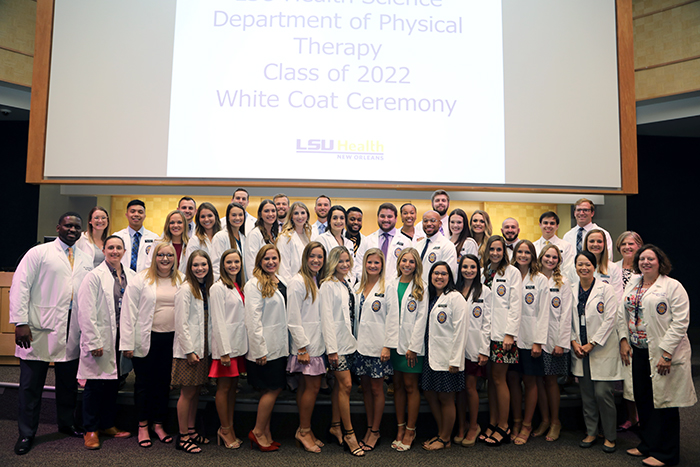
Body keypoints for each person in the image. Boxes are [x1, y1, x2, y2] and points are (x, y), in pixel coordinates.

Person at [11, 212, 93, 455]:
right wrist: (20, 322)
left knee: (67, 383)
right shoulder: (39, 253)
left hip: (72, 327)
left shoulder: (86, 257)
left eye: (77, 227)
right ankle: (26, 434)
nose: (72, 230)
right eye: (68, 225)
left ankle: (66, 423)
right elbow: (20, 285)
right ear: (58, 227)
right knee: (30, 386)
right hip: (37, 327)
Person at [619, 245, 696, 467]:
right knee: (644, 401)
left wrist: (667, 353)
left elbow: (681, 322)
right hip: (639, 351)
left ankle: (667, 454)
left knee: (665, 404)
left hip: (663, 354)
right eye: (642, 259)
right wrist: (624, 340)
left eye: (650, 259)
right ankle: (648, 445)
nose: (645, 262)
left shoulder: (673, 286)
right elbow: (621, 313)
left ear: (659, 262)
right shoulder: (634, 283)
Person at [121, 242, 183, 449]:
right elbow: (128, 312)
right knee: (144, 385)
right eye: (161, 255)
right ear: (154, 257)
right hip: (146, 340)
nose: (165, 259)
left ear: (174, 258)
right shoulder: (141, 280)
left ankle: (158, 425)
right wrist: (127, 343)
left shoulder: (181, 279)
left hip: (171, 341)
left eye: (169, 255)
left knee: (163, 385)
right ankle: (142, 426)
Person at [77, 235, 134, 449]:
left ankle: (108, 424)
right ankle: (91, 429)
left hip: (121, 336)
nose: (115, 251)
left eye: (119, 248)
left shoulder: (131, 275)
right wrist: (93, 341)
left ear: (124, 251)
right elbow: (86, 311)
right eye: (111, 247)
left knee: (113, 383)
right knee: (94, 383)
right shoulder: (94, 276)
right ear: (104, 250)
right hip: (101, 337)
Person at [570, 251, 620, 453]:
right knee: (587, 394)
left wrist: (592, 343)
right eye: (580, 264)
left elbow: (611, 319)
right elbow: (567, 319)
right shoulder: (570, 289)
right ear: (575, 267)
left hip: (600, 348)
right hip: (579, 349)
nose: (584, 268)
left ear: (594, 266)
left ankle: (610, 436)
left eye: (588, 264)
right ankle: (591, 432)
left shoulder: (605, 290)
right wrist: (574, 341)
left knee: (603, 393)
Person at [319, 246, 364, 457]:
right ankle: (349, 433)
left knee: (339, 386)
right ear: (332, 263)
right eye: (340, 261)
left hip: (349, 343)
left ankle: (335, 425)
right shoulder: (327, 285)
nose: (344, 265)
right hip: (336, 346)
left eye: (347, 261)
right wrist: (332, 350)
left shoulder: (346, 282)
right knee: (346, 385)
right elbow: (326, 319)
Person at [244, 244, 288, 451]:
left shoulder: (279, 281)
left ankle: (267, 433)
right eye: (266, 259)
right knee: (272, 389)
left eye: (274, 258)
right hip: (265, 348)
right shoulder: (254, 284)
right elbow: (253, 319)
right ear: (259, 261)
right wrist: (259, 349)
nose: (271, 262)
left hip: (278, 346)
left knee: (273, 389)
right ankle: (258, 431)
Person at [480, 235, 522, 446]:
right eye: (492, 250)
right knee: (490, 379)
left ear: (504, 252)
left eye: (499, 250)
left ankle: (504, 426)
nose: (495, 253)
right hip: (485, 335)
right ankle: (493, 421)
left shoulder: (512, 272)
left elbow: (515, 305)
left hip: (502, 335)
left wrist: (510, 334)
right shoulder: (483, 272)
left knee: (499, 379)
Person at [354, 248, 397, 451]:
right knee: (366, 390)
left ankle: (375, 430)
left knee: (377, 389)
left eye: (376, 263)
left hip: (379, 347)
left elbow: (392, 318)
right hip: (359, 347)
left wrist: (388, 345)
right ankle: (370, 427)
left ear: (382, 265)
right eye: (369, 262)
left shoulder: (387, 287)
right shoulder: (357, 286)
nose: (372, 266)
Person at [421, 262, 467, 451]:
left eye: (444, 274)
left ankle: (445, 437)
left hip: (448, 357)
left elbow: (461, 331)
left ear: (450, 277)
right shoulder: (430, 296)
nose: (439, 277)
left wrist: (455, 361)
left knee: (446, 398)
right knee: (430, 393)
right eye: (436, 273)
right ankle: (442, 434)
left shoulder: (456, 298)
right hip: (431, 355)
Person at [286, 242, 328, 453]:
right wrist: (302, 347)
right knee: (311, 388)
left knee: (305, 387)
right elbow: (293, 318)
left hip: (315, 344)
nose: (316, 260)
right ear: (305, 257)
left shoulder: (315, 279)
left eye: (320, 257)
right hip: (306, 346)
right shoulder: (297, 281)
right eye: (312, 256)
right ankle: (303, 431)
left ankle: (305, 429)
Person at [507, 240, 549, 445]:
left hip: (530, 339)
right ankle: (515, 422)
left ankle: (526, 424)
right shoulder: (509, 276)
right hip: (510, 338)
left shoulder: (540, 279)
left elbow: (543, 313)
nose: (523, 255)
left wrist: (538, 342)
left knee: (530, 382)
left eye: (527, 252)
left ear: (533, 255)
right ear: (514, 254)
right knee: (513, 380)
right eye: (520, 252)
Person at [172, 250, 214, 454]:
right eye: (196, 265)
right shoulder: (185, 289)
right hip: (189, 351)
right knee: (187, 393)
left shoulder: (205, 288)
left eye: (203, 265)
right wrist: (189, 350)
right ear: (190, 267)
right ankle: (183, 437)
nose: (200, 268)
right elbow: (180, 323)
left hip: (202, 348)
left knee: (196, 390)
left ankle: (191, 429)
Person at [387, 248, 428, 452]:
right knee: (398, 386)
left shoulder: (421, 287)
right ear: (399, 262)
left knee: (411, 386)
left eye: (412, 262)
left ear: (417, 265)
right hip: (395, 345)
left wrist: (414, 347)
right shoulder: (391, 285)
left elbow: (421, 320)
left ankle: (411, 430)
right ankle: (400, 427)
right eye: (404, 260)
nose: (407, 265)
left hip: (412, 347)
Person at [533, 244, 573, 442]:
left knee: (551, 382)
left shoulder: (563, 282)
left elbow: (566, 315)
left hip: (554, 340)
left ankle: (556, 421)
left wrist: (561, 342)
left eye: (554, 257)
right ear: (540, 258)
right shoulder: (533, 279)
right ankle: (545, 420)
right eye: (547, 256)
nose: (550, 260)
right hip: (535, 340)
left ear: (559, 261)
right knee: (538, 381)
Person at [209, 249, 248, 450]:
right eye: (229, 262)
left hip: (236, 346)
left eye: (236, 262)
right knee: (224, 388)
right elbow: (217, 321)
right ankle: (224, 429)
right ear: (222, 265)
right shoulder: (218, 288)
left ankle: (229, 426)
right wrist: (224, 351)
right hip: (226, 348)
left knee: (233, 388)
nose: (233, 265)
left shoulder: (235, 285)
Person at [454, 254, 491, 447]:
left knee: (470, 388)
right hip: (456, 348)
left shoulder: (485, 291)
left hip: (475, 347)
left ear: (478, 270)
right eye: (465, 267)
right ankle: (461, 425)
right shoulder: (454, 290)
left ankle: (474, 426)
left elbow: (487, 323)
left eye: (473, 267)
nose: (468, 270)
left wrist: (484, 350)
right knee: (459, 390)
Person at [615, 230, 643, 432]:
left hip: (638, 327)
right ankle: (630, 416)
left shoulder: (645, 268)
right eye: (624, 244)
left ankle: (641, 417)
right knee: (624, 375)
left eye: (631, 244)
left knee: (636, 375)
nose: (627, 247)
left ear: (639, 246)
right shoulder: (613, 268)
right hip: (615, 324)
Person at [364, 203, 413, 277]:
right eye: (382, 216)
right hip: (371, 283)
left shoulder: (406, 242)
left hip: (395, 285)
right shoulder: (367, 240)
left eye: (389, 216)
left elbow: (409, 267)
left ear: (396, 219)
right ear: (378, 217)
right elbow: (358, 265)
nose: (386, 220)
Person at [114, 199, 159, 272]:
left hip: (146, 279)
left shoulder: (155, 238)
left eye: (140, 212)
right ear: (126, 215)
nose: (136, 214)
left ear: (144, 216)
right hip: (121, 279)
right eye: (132, 211)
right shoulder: (117, 237)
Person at [415, 211, 458, 284]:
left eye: (433, 221)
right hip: (417, 289)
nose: (428, 224)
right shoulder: (418, 245)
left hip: (436, 291)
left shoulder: (447, 245)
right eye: (425, 221)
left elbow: (450, 274)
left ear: (440, 224)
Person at [581, 229, 624, 300]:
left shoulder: (613, 268)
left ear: (604, 244)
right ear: (586, 244)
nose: (595, 244)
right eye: (592, 241)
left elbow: (617, 297)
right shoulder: (575, 268)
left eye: (599, 241)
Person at [276, 201, 312, 284]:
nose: (300, 216)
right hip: (293, 284)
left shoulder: (309, 235)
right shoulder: (285, 237)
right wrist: (290, 287)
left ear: (307, 215)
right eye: (296, 213)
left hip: (309, 282)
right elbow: (283, 268)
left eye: (303, 213)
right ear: (291, 216)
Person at [211, 202, 247, 280]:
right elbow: (216, 265)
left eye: (240, 215)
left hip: (240, 282)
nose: (238, 218)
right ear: (228, 217)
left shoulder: (243, 238)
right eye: (234, 215)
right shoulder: (220, 237)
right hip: (225, 283)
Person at [315, 206, 355, 276]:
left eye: (342, 218)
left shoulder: (349, 243)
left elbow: (352, 267)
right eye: (335, 218)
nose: (338, 221)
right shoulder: (321, 239)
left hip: (347, 281)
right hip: (328, 280)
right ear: (329, 221)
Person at [245, 199, 278, 279]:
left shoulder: (275, 235)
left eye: (273, 211)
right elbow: (251, 264)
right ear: (260, 214)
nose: (270, 214)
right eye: (266, 211)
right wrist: (255, 284)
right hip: (259, 281)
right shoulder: (254, 234)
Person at [183, 202, 221, 270]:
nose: (206, 219)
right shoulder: (194, 240)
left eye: (210, 216)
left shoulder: (223, 238)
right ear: (198, 220)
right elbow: (191, 265)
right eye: (203, 216)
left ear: (216, 217)